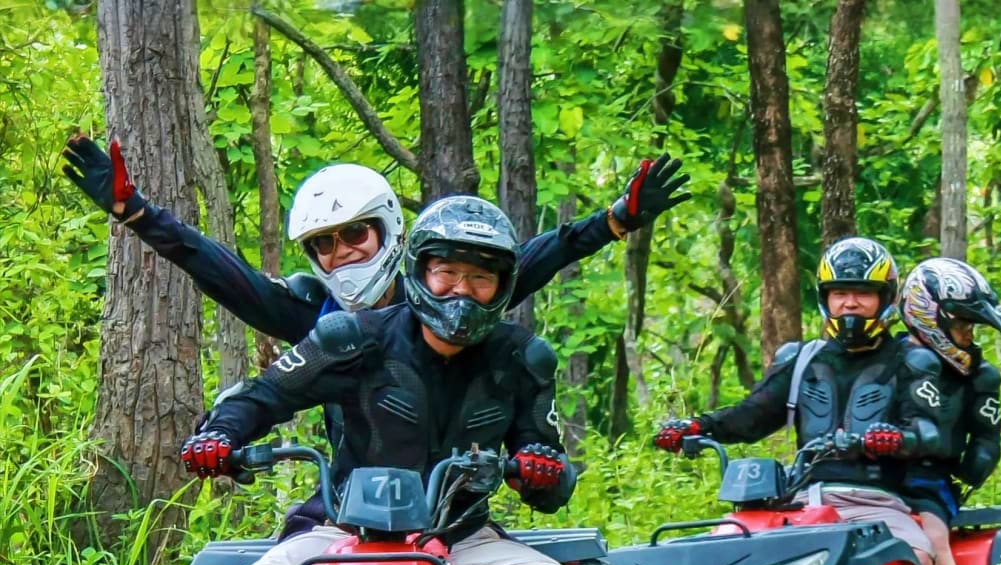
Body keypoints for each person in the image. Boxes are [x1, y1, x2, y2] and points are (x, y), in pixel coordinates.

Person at [179, 196, 573, 565]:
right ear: (420, 272)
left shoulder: (523, 359)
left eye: (481, 278)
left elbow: (551, 480)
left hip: (464, 539)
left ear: (502, 286)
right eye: (447, 273)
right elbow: (265, 395)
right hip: (344, 530)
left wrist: (539, 470)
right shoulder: (350, 339)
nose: (462, 290)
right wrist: (220, 433)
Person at [61, 134, 692, 343]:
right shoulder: (313, 315)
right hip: (346, 508)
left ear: (388, 227)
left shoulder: (449, 292)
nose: (343, 253)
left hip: (453, 511)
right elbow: (216, 267)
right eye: (324, 245)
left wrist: (613, 220)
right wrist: (139, 214)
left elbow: (538, 255)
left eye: (354, 233)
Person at [652, 236, 947, 565]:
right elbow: (752, 415)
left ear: (885, 298)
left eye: (863, 293)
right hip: (802, 502)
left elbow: (928, 432)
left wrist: (894, 438)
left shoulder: (912, 360)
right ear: (826, 299)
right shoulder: (802, 359)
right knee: (718, 559)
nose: (850, 303)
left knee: (916, 559)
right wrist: (698, 427)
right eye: (840, 293)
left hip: (876, 505)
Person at [897, 257, 1001, 565]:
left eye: (972, 327)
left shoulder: (978, 375)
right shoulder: (889, 358)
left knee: (934, 538)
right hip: (866, 479)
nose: (968, 336)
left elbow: (986, 440)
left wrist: (963, 480)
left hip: (930, 484)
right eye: (963, 325)